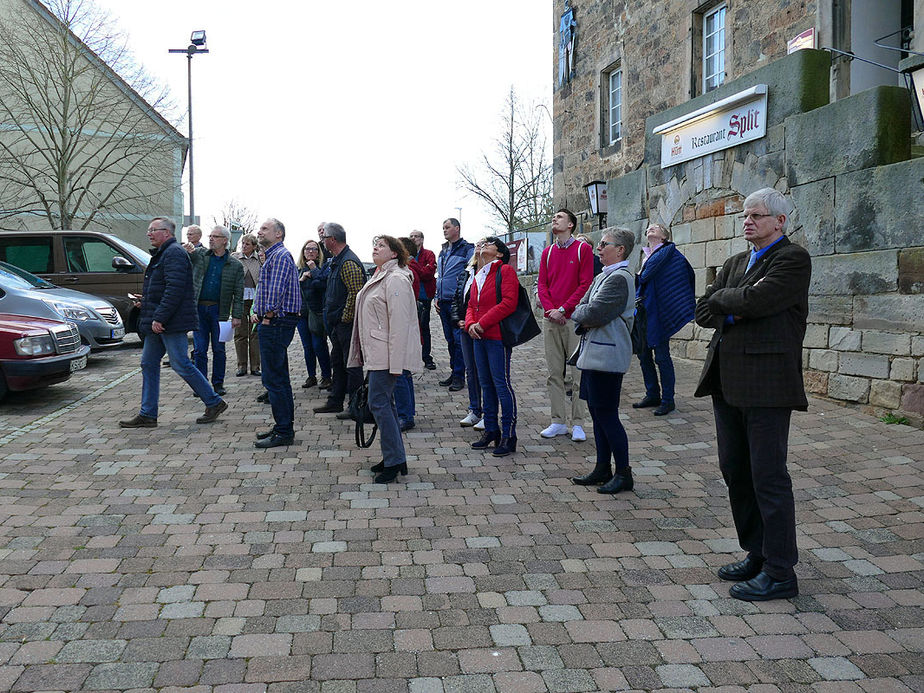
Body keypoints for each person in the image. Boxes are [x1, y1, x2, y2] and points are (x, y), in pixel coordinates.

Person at [694, 187, 811, 602]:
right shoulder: (736, 261)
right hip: (726, 382)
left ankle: (781, 572)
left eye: (756, 216)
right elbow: (703, 310)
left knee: (768, 477)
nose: (748, 221)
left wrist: (730, 301)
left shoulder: (792, 259)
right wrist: (733, 304)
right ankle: (756, 553)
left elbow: (759, 299)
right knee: (735, 472)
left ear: (779, 221)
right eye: (745, 216)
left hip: (766, 385)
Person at [119, 217, 227, 428]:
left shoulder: (174, 253)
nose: (149, 233)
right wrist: (146, 301)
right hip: (159, 320)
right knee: (148, 363)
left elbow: (175, 290)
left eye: (153, 230)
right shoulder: (164, 253)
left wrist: (160, 317)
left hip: (170, 322)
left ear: (166, 233)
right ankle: (148, 413)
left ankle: (213, 401)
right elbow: (164, 288)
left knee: (180, 363)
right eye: (149, 230)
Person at [348, 235, 421, 483]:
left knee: (379, 403)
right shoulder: (381, 275)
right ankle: (394, 457)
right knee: (384, 405)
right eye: (374, 245)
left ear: (394, 254)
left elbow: (401, 324)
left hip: (386, 355)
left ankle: (394, 461)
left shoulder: (397, 278)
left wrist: (397, 363)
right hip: (377, 352)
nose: (375, 248)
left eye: (381, 246)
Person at [570, 229, 637, 494]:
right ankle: (602, 467)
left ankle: (623, 472)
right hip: (593, 354)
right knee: (597, 414)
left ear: (620, 250)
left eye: (604, 244)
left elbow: (594, 311)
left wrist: (582, 314)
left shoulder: (620, 279)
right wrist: (582, 314)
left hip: (607, 356)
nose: (599, 249)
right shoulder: (602, 276)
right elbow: (582, 307)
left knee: (608, 415)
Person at [537, 209, 594, 442]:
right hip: (551, 319)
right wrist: (551, 309)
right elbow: (542, 284)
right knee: (554, 373)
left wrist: (563, 309)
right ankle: (558, 421)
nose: (554, 219)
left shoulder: (583, 249)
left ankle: (578, 423)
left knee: (578, 373)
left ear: (571, 224)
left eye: (560, 217)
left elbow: (585, 284)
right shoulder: (548, 252)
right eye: (554, 217)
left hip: (572, 319)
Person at [632, 223, 695, 416]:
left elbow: (683, 278)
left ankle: (668, 400)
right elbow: (644, 280)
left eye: (656, 227)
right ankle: (652, 394)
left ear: (664, 236)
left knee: (662, 356)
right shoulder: (647, 256)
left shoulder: (670, 255)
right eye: (649, 227)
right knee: (643, 354)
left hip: (660, 312)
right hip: (644, 310)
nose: (651, 228)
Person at [465, 237, 519, 457]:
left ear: (499, 253)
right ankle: (491, 430)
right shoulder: (479, 274)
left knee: (501, 383)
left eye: (489, 243)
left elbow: (508, 302)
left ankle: (508, 434)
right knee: (485, 384)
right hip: (478, 336)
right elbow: (471, 304)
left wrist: (481, 323)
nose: (483, 245)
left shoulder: (505, 271)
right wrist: (470, 324)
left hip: (496, 336)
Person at [253, 218, 302, 449]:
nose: (259, 231)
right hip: (273, 321)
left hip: (275, 322)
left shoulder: (281, 256)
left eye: (265, 229)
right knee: (277, 378)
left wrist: (266, 316)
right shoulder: (273, 256)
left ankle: (284, 430)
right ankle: (283, 426)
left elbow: (274, 293)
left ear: (279, 234)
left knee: (274, 379)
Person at [314, 222, 367, 416]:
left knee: (351, 365)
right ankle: (335, 401)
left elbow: (355, 293)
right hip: (338, 323)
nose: (322, 241)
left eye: (324, 238)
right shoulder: (337, 260)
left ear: (332, 240)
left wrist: (345, 319)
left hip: (346, 324)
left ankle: (356, 406)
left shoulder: (348, 262)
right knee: (337, 362)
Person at [186, 226, 244, 397]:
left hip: (222, 311)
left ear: (225, 240)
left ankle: (218, 383)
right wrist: (187, 250)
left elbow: (238, 292)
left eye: (215, 236)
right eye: (210, 236)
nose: (211, 239)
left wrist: (237, 315)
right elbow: (187, 256)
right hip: (199, 309)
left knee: (219, 349)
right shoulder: (201, 255)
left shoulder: (235, 265)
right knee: (199, 349)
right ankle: (201, 384)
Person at [435, 218, 474, 391]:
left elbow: (471, 273)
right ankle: (454, 371)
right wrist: (437, 296)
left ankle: (459, 376)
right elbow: (440, 275)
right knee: (450, 340)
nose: (444, 230)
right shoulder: (443, 251)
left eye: (447, 227)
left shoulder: (467, 249)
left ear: (456, 229)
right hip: (442, 302)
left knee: (459, 340)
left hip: (456, 302)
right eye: (443, 227)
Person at [451, 251, 484, 429]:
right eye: (478, 244)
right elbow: (458, 298)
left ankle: (489, 411)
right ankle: (475, 409)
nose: (480, 247)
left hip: (483, 328)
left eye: (484, 244)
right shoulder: (467, 272)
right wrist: (458, 319)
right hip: (466, 327)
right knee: (471, 370)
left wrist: (477, 323)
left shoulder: (494, 272)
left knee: (485, 372)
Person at [296, 239, 332, 390]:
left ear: (319, 253)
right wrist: (301, 280)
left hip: (317, 312)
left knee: (319, 345)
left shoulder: (323, 268)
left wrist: (314, 271)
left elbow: (324, 286)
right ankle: (311, 376)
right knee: (307, 347)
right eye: (307, 249)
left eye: (314, 249)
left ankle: (326, 376)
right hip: (302, 313)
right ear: (303, 252)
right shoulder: (298, 270)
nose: (311, 251)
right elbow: (292, 289)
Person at [393, 237, 421, 431]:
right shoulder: (404, 272)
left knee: (400, 373)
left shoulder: (404, 274)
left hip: (400, 330)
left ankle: (405, 414)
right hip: (402, 329)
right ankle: (407, 412)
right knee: (404, 373)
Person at [232, 233, 262, 377]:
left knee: (254, 334)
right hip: (239, 300)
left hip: (255, 301)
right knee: (240, 334)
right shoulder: (235, 258)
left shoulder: (260, 260)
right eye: (243, 243)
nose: (244, 246)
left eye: (247, 244)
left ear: (254, 246)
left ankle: (256, 366)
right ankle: (241, 366)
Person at [409, 230, 437, 370]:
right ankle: (413, 356)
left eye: (416, 236)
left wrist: (415, 266)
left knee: (424, 326)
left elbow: (428, 274)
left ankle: (426, 357)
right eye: (411, 236)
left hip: (424, 296)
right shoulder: (406, 255)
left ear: (422, 239)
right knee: (411, 328)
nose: (414, 239)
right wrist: (422, 269)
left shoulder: (429, 254)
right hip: (410, 297)